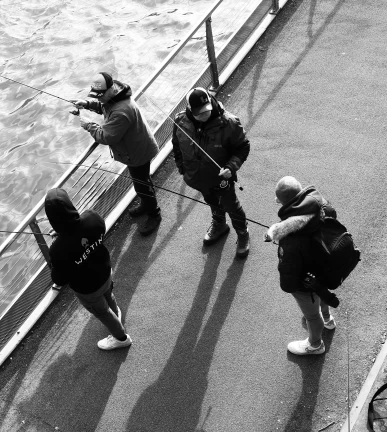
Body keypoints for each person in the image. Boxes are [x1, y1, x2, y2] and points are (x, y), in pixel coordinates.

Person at [71, 72, 162, 236]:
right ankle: (145, 204)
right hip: (136, 149)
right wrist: (86, 104)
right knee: (140, 182)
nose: (98, 98)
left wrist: (88, 124)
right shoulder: (115, 96)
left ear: (109, 90)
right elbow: (104, 107)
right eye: (95, 96)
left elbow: (105, 136)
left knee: (143, 185)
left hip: (138, 153)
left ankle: (154, 214)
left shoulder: (121, 111)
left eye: (100, 95)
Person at [45, 187, 132, 350]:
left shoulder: (57, 249)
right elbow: (92, 232)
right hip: (105, 271)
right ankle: (116, 314)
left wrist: (60, 240)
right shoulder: (92, 217)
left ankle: (120, 338)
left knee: (102, 312)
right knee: (108, 294)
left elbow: (59, 279)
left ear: (52, 219)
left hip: (88, 288)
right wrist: (64, 235)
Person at [171, 87, 251, 258]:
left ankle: (243, 233)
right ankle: (219, 224)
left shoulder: (229, 122)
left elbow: (243, 147)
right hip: (197, 177)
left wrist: (231, 167)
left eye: (206, 110)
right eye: (199, 113)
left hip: (222, 178)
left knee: (231, 205)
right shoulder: (180, 120)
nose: (204, 114)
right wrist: (182, 168)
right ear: (190, 109)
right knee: (211, 200)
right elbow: (176, 146)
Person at [265, 176, 337, 355]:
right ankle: (328, 320)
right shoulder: (321, 206)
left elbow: (289, 270)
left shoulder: (292, 239)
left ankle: (315, 345)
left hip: (307, 281)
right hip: (325, 269)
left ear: (282, 201)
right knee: (322, 294)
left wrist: (289, 287)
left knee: (312, 316)